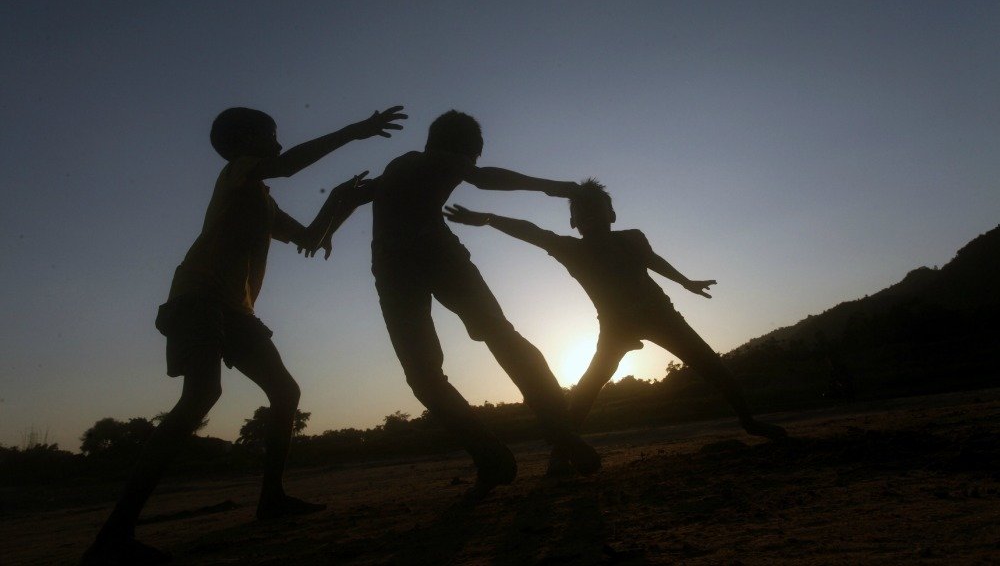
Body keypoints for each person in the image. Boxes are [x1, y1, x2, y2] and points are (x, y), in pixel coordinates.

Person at [81, 105, 406, 565]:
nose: (277, 143)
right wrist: (357, 131)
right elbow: (289, 164)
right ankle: (113, 535)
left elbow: (311, 238)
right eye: (270, 135)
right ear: (243, 143)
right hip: (198, 298)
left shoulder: (262, 199)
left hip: (235, 310)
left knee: (284, 392)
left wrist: (341, 200)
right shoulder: (238, 173)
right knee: (201, 396)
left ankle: (271, 499)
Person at [312, 110, 600, 500]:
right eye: (471, 158)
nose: (468, 168)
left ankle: (491, 456)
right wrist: (557, 187)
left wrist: (325, 226)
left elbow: (353, 194)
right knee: (501, 337)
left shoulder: (400, 166)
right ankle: (559, 434)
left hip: (393, 268)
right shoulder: (440, 159)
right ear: (462, 150)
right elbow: (486, 179)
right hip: (436, 256)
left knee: (424, 373)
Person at [444, 178, 787, 475]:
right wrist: (488, 218)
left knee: (712, 366)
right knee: (589, 388)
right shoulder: (569, 249)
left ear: (611, 214)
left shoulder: (632, 238)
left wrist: (685, 282)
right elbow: (532, 232)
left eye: (597, 208)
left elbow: (652, 260)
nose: (591, 215)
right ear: (574, 221)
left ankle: (749, 421)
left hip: (663, 317)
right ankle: (562, 452)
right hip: (615, 328)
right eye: (583, 211)